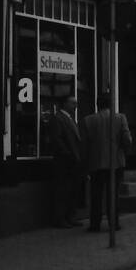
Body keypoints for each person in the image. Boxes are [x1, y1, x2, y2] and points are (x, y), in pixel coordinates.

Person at [82, 92, 132, 232]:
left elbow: (84, 145)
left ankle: (95, 224)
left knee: (96, 195)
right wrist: (124, 151)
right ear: (111, 104)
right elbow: (127, 140)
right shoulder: (120, 118)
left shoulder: (88, 120)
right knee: (113, 194)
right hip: (115, 162)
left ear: (98, 104)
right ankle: (113, 223)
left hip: (96, 163)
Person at [44, 95, 84, 228]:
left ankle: (70, 216)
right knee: (62, 190)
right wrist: (67, 154)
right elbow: (57, 139)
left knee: (72, 190)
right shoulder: (58, 118)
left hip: (73, 161)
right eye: (73, 103)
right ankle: (60, 219)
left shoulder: (70, 118)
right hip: (64, 162)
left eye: (76, 103)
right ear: (65, 104)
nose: (76, 106)